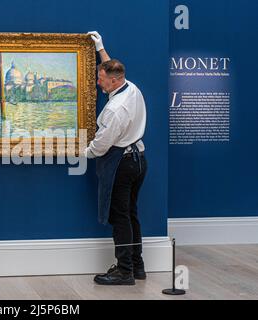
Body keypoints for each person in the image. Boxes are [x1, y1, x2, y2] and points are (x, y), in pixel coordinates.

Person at [85, 31, 148, 285]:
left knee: (120, 217)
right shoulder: (130, 87)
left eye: (101, 80)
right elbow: (111, 67)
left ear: (113, 81)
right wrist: (101, 48)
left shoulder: (114, 110)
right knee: (130, 213)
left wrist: (81, 152)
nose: (98, 83)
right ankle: (136, 265)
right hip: (139, 160)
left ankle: (124, 271)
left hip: (121, 164)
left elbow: (100, 146)